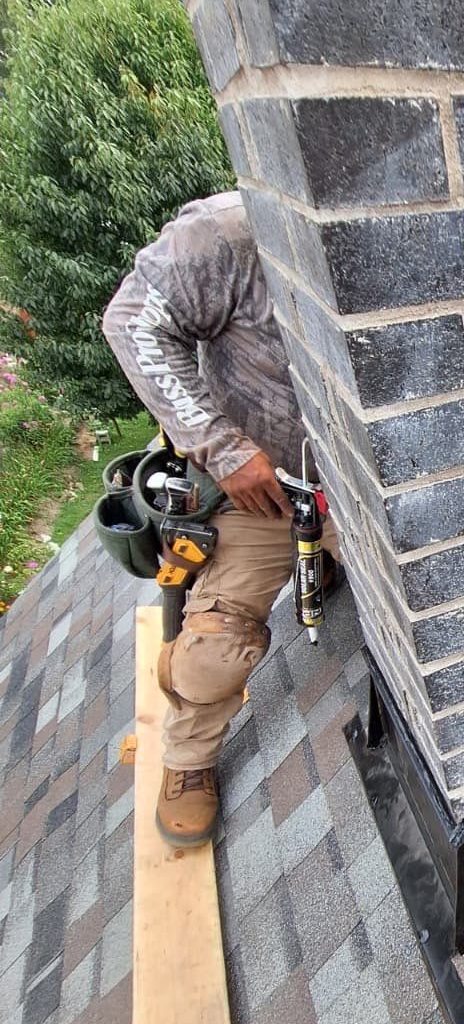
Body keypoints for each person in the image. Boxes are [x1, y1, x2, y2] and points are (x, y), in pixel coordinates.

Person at [103, 191, 336, 847]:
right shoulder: (231, 232)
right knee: (213, 649)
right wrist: (224, 448)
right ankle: (187, 760)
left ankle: (337, 571)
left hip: (362, 494)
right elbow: (132, 323)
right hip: (260, 493)